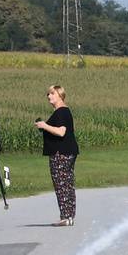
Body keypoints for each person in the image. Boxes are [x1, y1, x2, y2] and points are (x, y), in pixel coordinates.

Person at [34, 84, 78, 226]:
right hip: (68, 151)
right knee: (68, 183)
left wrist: (44, 126)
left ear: (60, 95)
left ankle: (65, 216)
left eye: (52, 94)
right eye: (48, 94)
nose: (49, 96)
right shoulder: (64, 112)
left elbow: (61, 132)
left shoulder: (61, 112)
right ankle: (69, 215)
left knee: (61, 184)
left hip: (61, 153)